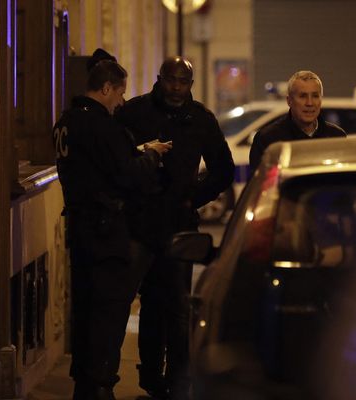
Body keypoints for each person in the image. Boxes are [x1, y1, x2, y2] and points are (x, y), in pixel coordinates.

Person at [53, 50, 171, 400]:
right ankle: (100, 384)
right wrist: (150, 156)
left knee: (85, 309)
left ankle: (84, 384)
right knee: (107, 313)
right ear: (106, 88)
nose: (121, 100)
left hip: (80, 228)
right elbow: (126, 174)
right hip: (106, 232)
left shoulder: (66, 121)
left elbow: (96, 166)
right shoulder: (102, 125)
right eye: (119, 92)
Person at [117, 56, 235, 400]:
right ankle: (151, 376)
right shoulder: (135, 113)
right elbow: (116, 160)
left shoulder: (200, 119)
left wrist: (192, 197)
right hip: (139, 223)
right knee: (145, 303)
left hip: (179, 226)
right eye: (171, 80)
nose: (176, 88)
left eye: (183, 82)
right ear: (160, 79)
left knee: (178, 307)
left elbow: (223, 169)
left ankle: (179, 381)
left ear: (191, 84)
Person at [249, 70, 346, 172]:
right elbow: (260, 184)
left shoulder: (337, 137)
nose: (309, 103)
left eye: (315, 96)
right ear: (289, 101)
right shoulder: (267, 140)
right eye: (303, 96)